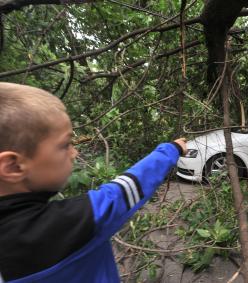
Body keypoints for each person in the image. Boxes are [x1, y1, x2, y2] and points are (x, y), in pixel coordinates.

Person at [0, 82, 187, 282]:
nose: (74, 152)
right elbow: (123, 191)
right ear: (13, 166)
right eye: (65, 145)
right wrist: (171, 149)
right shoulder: (68, 225)